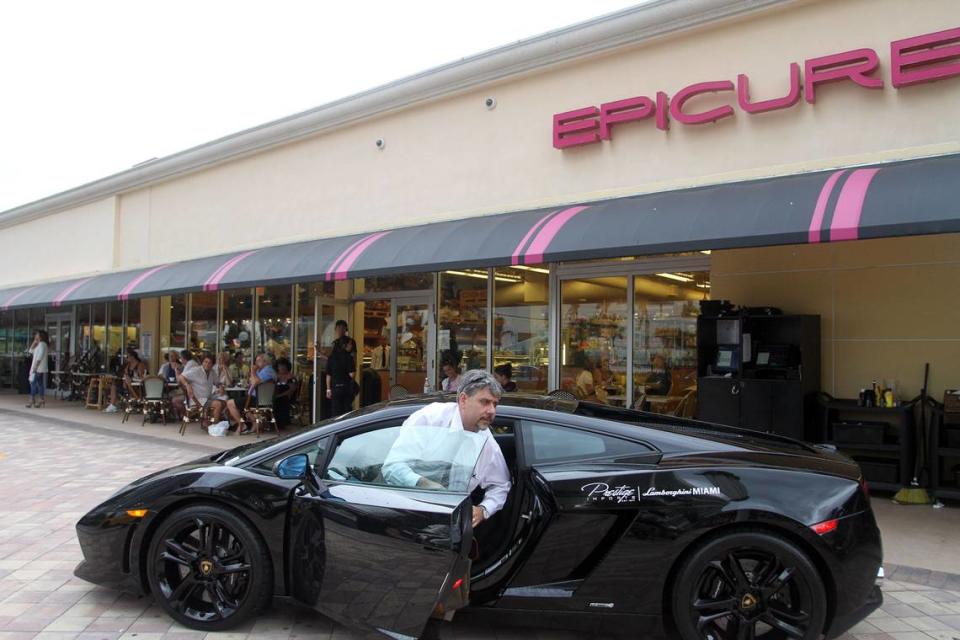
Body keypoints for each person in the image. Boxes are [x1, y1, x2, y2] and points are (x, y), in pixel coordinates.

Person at [383, 369, 510, 528]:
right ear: (463, 400)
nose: (492, 410)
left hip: (451, 523)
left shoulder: (486, 441)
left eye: (495, 404)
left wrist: (483, 510)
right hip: (409, 513)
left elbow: (501, 484)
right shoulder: (430, 419)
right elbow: (392, 467)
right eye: (485, 402)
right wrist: (425, 484)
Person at [177, 352, 227, 427]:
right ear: (202, 362)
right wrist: (187, 385)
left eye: (209, 363)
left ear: (212, 364)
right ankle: (214, 426)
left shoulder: (212, 372)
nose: (207, 364)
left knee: (225, 402)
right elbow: (181, 377)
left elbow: (217, 382)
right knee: (218, 404)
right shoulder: (196, 370)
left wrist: (221, 386)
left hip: (207, 399)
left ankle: (209, 421)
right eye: (205, 362)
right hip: (197, 400)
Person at [326, 320, 357, 416]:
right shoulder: (335, 344)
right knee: (341, 408)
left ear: (345, 329)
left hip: (342, 381)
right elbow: (330, 363)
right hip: (338, 381)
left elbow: (353, 358)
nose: (340, 330)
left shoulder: (350, 342)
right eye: (338, 328)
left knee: (342, 408)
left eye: (342, 328)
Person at [104, 348, 147, 413]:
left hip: (137, 386)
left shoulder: (140, 365)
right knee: (114, 385)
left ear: (132, 357)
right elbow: (125, 374)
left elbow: (141, 377)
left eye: (127, 356)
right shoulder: (128, 365)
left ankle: (137, 399)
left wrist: (130, 379)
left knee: (123, 383)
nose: (126, 358)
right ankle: (112, 405)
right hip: (127, 384)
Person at [26, 330, 49, 408]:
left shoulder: (42, 344)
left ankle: (32, 399)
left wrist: (35, 367)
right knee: (39, 383)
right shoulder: (39, 344)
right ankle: (41, 399)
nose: (35, 335)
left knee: (33, 383)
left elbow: (40, 356)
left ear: (40, 336)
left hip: (38, 368)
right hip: (38, 367)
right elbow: (30, 351)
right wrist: (34, 342)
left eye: (37, 334)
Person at [273, 357, 299, 428]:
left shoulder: (291, 377)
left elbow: (292, 390)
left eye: (284, 366)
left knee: (279, 401)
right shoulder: (275, 377)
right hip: (276, 396)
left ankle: (281, 423)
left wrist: (280, 396)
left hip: (287, 397)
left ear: (287, 367)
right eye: (280, 366)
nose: (282, 368)